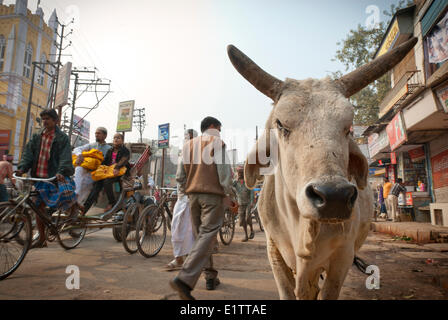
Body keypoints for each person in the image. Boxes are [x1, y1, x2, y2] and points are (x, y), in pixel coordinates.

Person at [170, 117, 232, 300]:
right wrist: (227, 193)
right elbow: (224, 173)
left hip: (192, 197)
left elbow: (180, 175)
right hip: (212, 196)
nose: (220, 132)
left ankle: (210, 276)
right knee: (207, 235)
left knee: (202, 239)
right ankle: (185, 279)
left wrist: (185, 193)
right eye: (219, 128)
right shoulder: (217, 142)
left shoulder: (188, 146)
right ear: (212, 127)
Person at [16, 108, 76, 248]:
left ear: (55, 121)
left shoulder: (62, 138)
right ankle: (42, 238)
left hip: (54, 176)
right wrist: (22, 168)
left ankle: (74, 206)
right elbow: (28, 154)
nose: (44, 121)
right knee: (38, 208)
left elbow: (65, 156)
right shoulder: (37, 136)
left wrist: (61, 171)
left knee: (63, 196)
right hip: (39, 177)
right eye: (43, 119)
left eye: (48, 118)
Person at [166, 129, 198, 271]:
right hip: (182, 196)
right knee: (177, 227)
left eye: (190, 138)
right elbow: (179, 177)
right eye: (186, 138)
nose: (187, 140)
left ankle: (189, 259)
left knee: (192, 230)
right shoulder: (183, 154)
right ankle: (179, 258)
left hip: (194, 196)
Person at [83, 133, 130, 213]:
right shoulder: (110, 150)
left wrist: (117, 167)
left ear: (122, 140)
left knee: (107, 181)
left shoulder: (125, 150)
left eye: (118, 138)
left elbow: (124, 159)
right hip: (109, 172)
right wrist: (100, 169)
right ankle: (85, 207)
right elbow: (105, 161)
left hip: (120, 172)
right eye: (114, 138)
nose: (116, 139)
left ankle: (112, 202)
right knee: (97, 184)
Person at [72, 127, 112, 205]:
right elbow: (77, 149)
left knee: (86, 185)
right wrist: (80, 155)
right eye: (96, 133)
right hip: (86, 169)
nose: (96, 135)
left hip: (97, 172)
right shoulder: (91, 145)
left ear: (105, 136)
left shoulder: (109, 149)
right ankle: (75, 197)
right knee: (79, 169)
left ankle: (77, 205)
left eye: (98, 133)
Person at [232, 166, 254, 242]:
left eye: (241, 172)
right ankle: (246, 235)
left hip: (248, 203)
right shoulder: (235, 182)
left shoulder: (247, 181)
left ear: (244, 173)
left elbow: (251, 191)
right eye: (239, 172)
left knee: (247, 217)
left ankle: (251, 230)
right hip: (240, 203)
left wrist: (251, 202)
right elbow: (230, 187)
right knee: (241, 221)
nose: (240, 174)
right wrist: (234, 182)